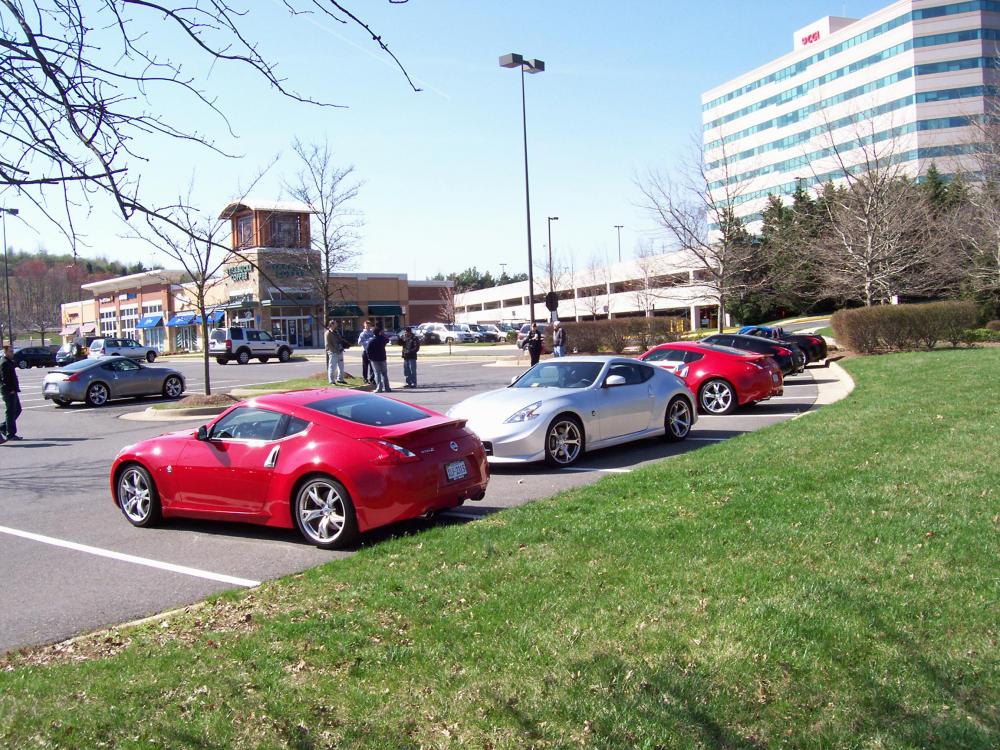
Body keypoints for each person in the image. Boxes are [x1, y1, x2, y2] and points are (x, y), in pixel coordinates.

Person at [0, 345, 23, 442]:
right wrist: (10, 389)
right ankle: (11, 434)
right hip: (8, 391)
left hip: (13, 390)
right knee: (11, 412)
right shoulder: (4, 363)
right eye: (10, 351)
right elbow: (4, 379)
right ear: (5, 352)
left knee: (17, 410)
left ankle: (3, 427)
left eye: (12, 351)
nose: (12, 353)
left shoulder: (9, 362)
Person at [367, 324, 390, 392]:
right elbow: (387, 339)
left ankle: (379, 388)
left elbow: (368, 350)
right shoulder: (382, 339)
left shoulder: (371, 341)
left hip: (374, 359)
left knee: (377, 373)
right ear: (379, 332)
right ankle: (387, 387)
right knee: (384, 373)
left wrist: (369, 357)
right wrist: (382, 334)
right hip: (382, 358)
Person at [325, 321, 347, 385]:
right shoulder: (327, 333)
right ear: (331, 324)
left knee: (341, 366)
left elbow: (340, 340)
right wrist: (334, 351)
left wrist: (342, 346)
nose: (337, 324)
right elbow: (328, 344)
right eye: (335, 323)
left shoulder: (336, 332)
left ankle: (340, 379)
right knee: (332, 367)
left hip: (340, 351)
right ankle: (331, 381)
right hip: (333, 352)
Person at [358, 320, 375, 384]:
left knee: (372, 366)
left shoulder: (372, 333)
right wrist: (368, 341)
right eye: (366, 325)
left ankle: (372, 379)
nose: (367, 326)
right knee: (365, 366)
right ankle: (365, 378)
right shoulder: (362, 334)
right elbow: (359, 342)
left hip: (372, 352)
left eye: (369, 325)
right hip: (365, 351)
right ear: (364, 325)